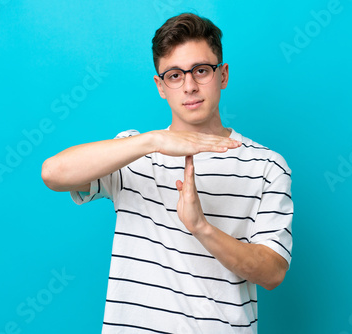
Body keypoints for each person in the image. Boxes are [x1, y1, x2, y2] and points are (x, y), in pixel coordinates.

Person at [41, 12, 293, 333]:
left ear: (223, 75)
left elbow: (273, 273)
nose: (189, 86)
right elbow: (53, 172)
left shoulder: (267, 165)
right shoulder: (134, 153)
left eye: (201, 71)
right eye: (175, 75)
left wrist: (201, 227)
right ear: (161, 86)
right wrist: (154, 140)